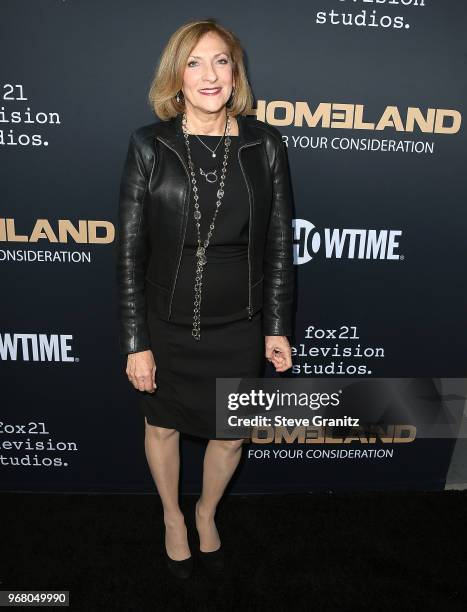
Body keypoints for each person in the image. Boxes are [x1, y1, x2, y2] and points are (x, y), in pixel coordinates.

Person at [116, 18, 295, 579]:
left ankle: (206, 509)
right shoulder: (150, 144)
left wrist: (276, 326)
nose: (209, 74)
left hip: (239, 324)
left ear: (235, 73)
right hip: (165, 323)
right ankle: (172, 515)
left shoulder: (264, 143)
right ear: (176, 76)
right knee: (161, 427)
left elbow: (280, 242)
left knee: (230, 435)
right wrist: (136, 342)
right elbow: (127, 253)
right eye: (194, 62)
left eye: (220, 60)